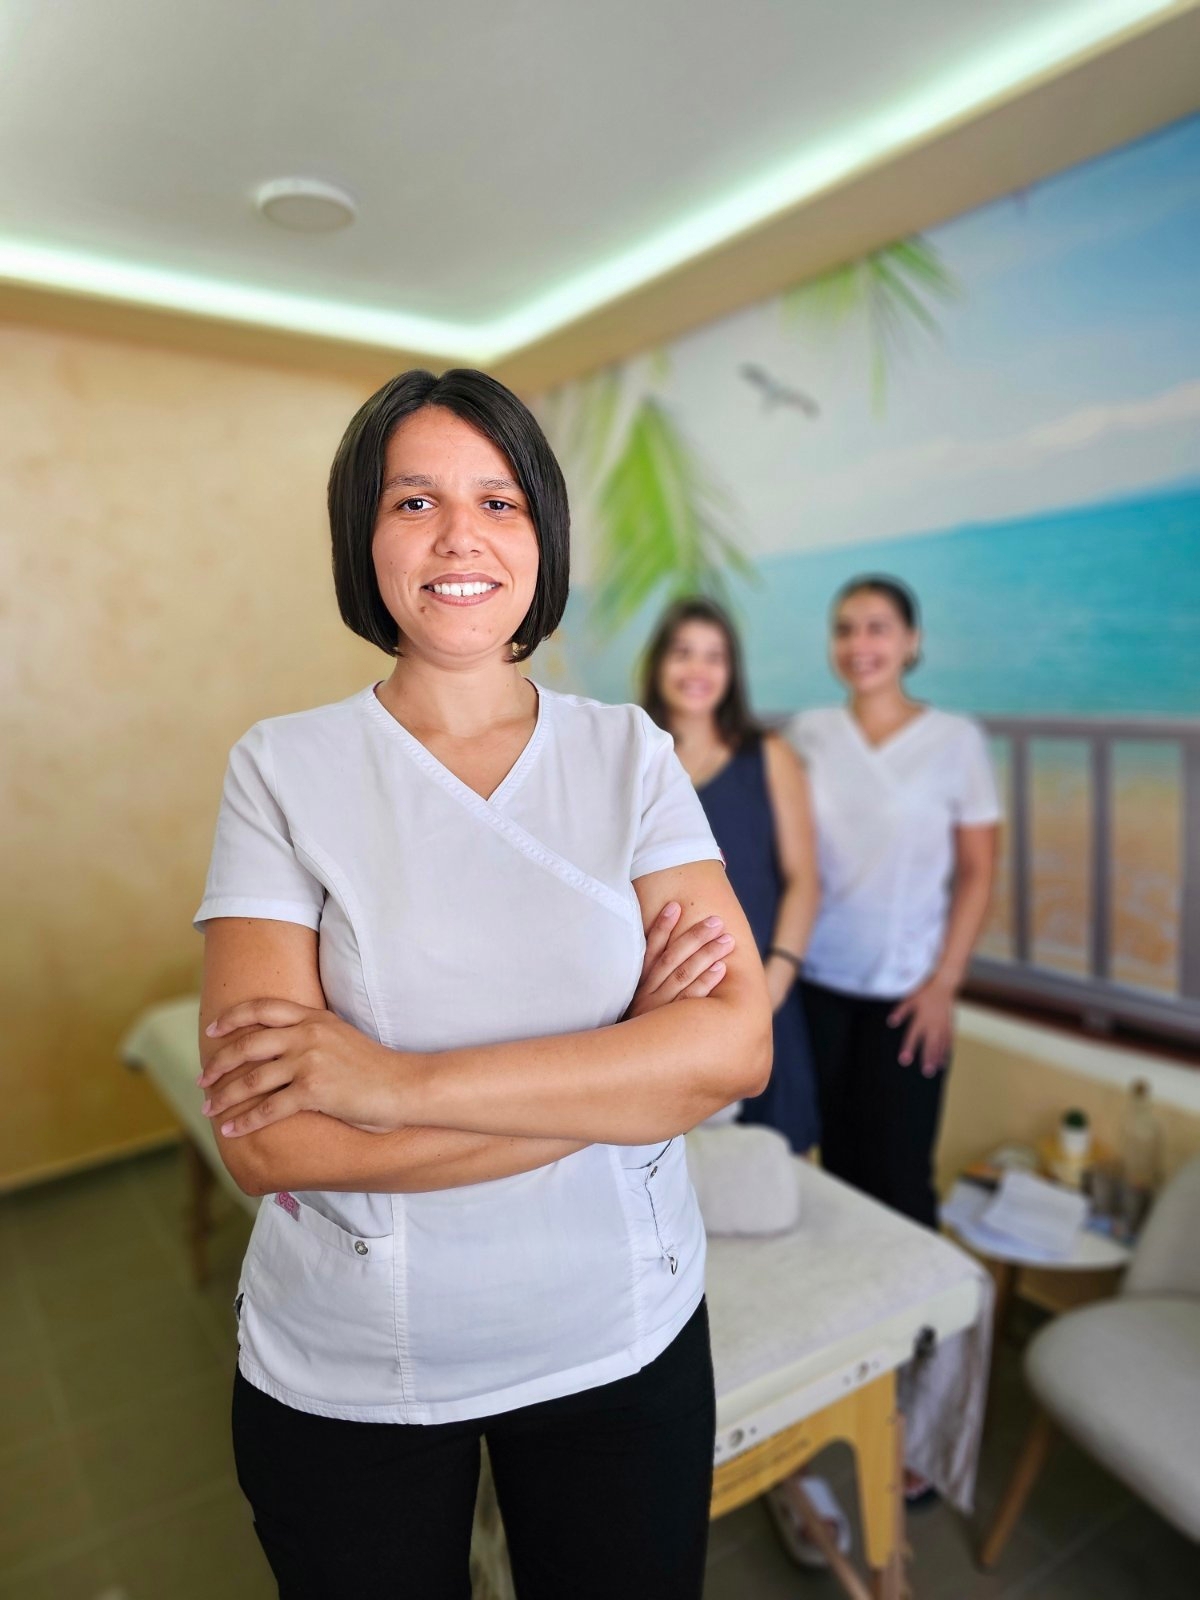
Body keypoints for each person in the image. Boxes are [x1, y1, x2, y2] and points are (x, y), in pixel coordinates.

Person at [194, 368, 772, 1600]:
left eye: (498, 500)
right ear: (365, 537)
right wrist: (628, 1066)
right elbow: (268, 1140)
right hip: (358, 1364)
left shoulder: (629, 753)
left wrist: (392, 1087)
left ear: (541, 535)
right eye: (415, 501)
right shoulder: (283, 768)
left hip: (623, 1334)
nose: (460, 535)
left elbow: (734, 1051)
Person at [786, 574, 1000, 1230]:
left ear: (912, 641)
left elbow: (978, 871)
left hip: (907, 995)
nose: (860, 645)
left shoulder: (955, 741)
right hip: (813, 987)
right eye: (845, 629)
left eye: (877, 628)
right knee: (825, 1175)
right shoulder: (809, 733)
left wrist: (945, 983)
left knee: (901, 1180)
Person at [641, 597, 820, 1153]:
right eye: (683, 652)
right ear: (658, 663)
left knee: (772, 1165)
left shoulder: (768, 755)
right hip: (661, 1009)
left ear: (731, 671)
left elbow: (804, 879)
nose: (697, 669)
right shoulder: (637, 756)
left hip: (760, 995)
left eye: (713, 656)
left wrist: (774, 982)